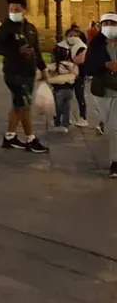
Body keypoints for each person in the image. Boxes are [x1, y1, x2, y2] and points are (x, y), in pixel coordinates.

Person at [0, 0, 49, 153]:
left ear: (24, 10)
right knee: (24, 105)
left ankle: (10, 137)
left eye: (17, 9)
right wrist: (17, 51)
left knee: (19, 105)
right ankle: (30, 139)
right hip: (13, 72)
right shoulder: (5, 27)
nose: (13, 11)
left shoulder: (30, 28)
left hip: (29, 72)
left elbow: (36, 50)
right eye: (11, 9)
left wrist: (43, 69)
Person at [85, 12, 117, 178]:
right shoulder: (96, 45)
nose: (109, 26)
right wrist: (106, 65)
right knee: (109, 126)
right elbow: (88, 67)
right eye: (106, 23)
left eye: (113, 23)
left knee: (115, 128)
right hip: (102, 90)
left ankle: (115, 162)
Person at [46, 45, 78, 133]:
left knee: (58, 108)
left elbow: (47, 77)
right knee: (66, 108)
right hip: (69, 90)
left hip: (58, 90)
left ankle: (57, 123)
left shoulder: (53, 66)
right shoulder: (71, 65)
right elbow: (75, 75)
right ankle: (65, 125)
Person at [63, 27, 90, 128]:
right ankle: (66, 117)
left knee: (80, 96)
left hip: (78, 76)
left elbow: (82, 62)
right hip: (66, 75)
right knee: (66, 97)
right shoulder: (63, 47)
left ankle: (83, 118)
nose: (72, 37)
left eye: (75, 36)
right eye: (70, 36)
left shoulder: (82, 47)